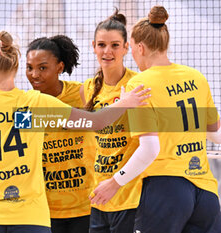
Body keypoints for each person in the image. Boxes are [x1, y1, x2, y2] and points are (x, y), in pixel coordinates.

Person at [0, 30, 149, 233]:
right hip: (30, 216)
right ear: (16, 68)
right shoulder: (34, 106)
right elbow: (95, 122)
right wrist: (126, 101)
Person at [94, 5, 221, 233]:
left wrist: (115, 182)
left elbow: (150, 149)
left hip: (167, 190)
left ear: (140, 48)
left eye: (131, 48)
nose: (132, 54)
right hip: (206, 191)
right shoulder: (196, 77)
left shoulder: (140, 85)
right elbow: (216, 134)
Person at [26, 35, 96, 233]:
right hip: (44, 209)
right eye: (29, 67)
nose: (34, 75)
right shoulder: (26, 104)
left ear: (59, 67)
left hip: (87, 204)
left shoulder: (83, 93)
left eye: (42, 67)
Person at [82, 9, 143, 233]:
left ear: (127, 47)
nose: (107, 51)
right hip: (98, 196)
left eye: (115, 45)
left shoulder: (138, 83)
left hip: (130, 196)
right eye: (102, 45)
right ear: (93, 46)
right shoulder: (88, 88)